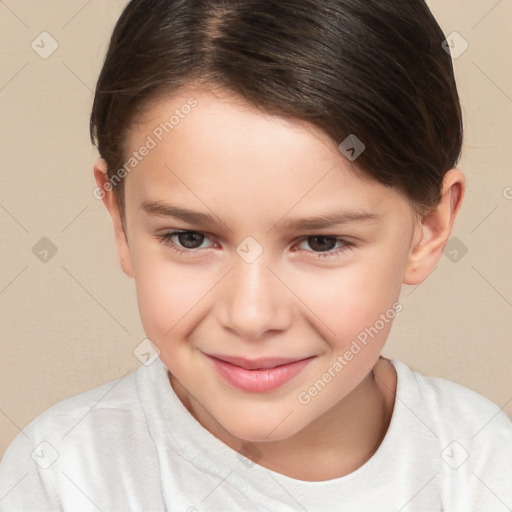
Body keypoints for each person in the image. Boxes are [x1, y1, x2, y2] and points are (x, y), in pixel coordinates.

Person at [1, 0, 511, 510]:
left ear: (429, 228)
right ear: (120, 220)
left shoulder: (485, 469)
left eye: (321, 242)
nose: (250, 315)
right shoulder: (63, 476)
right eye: (190, 238)